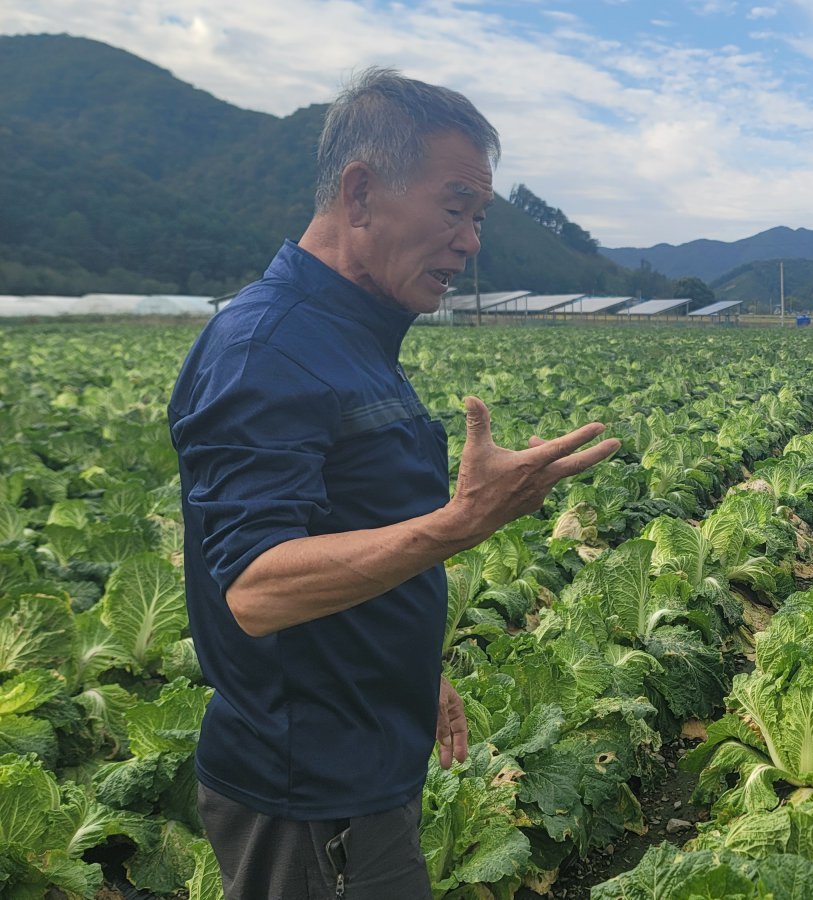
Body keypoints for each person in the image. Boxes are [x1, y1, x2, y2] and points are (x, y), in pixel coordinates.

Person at [168, 68, 619, 899]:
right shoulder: (268, 346)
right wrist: (459, 524)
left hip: (360, 760)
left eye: (477, 218)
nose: (470, 242)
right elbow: (257, 589)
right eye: (455, 209)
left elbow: (342, 529)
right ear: (362, 192)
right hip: (309, 794)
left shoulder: (348, 334)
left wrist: (406, 667)